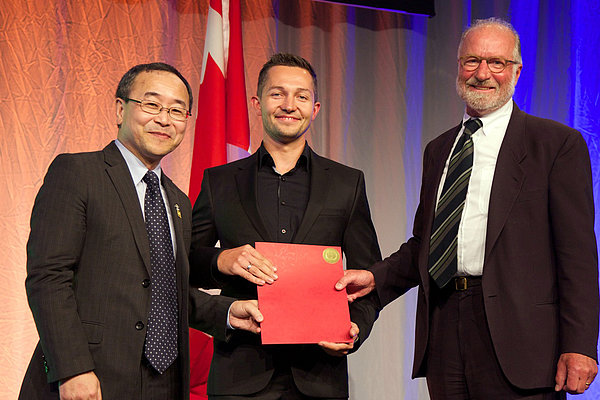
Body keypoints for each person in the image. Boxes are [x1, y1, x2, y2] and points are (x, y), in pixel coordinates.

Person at [336, 18, 599, 399]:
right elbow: (426, 245)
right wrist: (376, 278)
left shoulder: (555, 144)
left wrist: (579, 345)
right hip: (443, 328)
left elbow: (577, 255)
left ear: (516, 71)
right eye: (472, 61)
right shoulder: (438, 149)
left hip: (522, 339)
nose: (482, 73)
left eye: (496, 62)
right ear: (458, 66)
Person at [19, 62, 264, 400]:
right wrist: (74, 369)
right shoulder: (78, 173)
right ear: (120, 109)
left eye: (178, 110)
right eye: (152, 105)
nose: (165, 119)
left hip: (165, 382)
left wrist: (227, 313)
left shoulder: (177, 200)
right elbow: (48, 278)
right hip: (89, 377)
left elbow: (166, 291)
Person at [189, 53, 382, 399]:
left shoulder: (347, 183)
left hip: (320, 377)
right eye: (277, 94)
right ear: (257, 102)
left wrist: (355, 328)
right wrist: (222, 259)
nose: (289, 105)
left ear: (316, 107)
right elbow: (184, 267)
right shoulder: (219, 183)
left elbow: (370, 279)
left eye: (301, 96)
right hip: (239, 375)